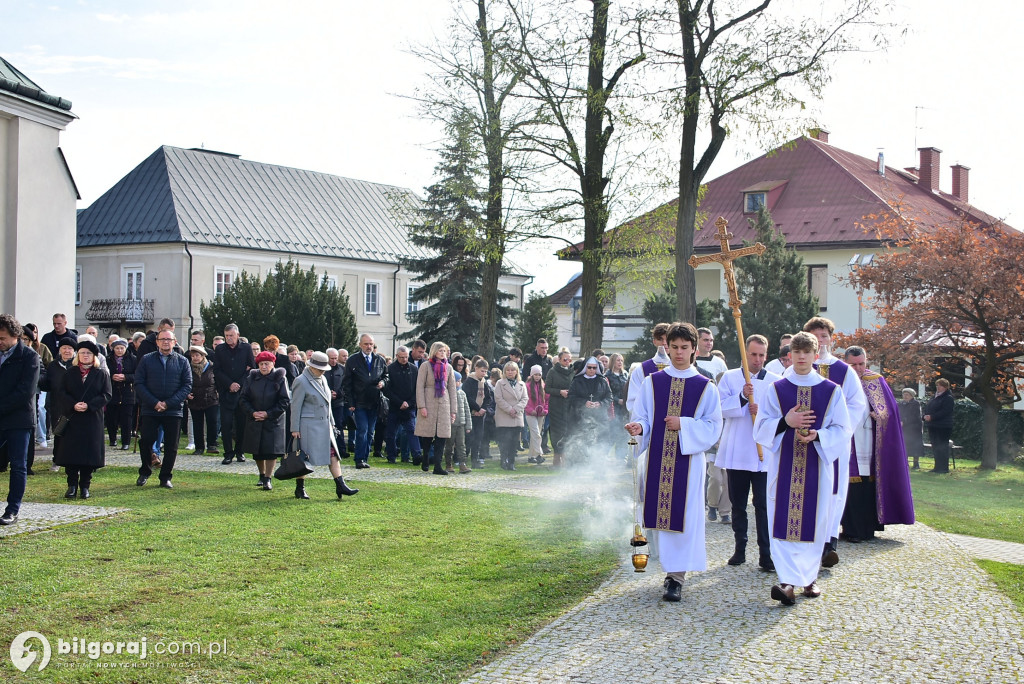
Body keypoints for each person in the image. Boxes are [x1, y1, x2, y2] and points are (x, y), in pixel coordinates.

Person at [624, 322, 724, 602]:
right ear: (665, 347)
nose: (678, 353)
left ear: (694, 350)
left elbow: (713, 426)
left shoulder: (705, 387)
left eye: (684, 348)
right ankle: (669, 570)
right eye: (674, 347)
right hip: (658, 460)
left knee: (686, 517)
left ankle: (676, 577)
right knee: (662, 518)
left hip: (688, 464)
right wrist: (639, 428)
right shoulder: (652, 382)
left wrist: (685, 425)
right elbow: (643, 416)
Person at [753, 331, 851, 605]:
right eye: (796, 352)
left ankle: (808, 578)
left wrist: (818, 435)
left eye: (807, 352)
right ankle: (786, 582)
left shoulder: (831, 391)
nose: (801, 357)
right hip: (783, 466)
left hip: (816, 467)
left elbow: (843, 429)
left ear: (816, 355)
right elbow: (760, 428)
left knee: (815, 522)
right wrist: (786, 421)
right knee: (782, 523)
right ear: (789, 356)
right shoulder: (777, 389)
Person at [796, 316, 867, 568]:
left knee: (833, 492)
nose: (821, 340)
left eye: (824, 336)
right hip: (799, 443)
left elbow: (857, 405)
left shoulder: (843, 371)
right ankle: (800, 541)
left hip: (832, 442)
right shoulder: (794, 369)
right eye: (816, 336)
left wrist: (833, 430)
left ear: (831, 339)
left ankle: (828, 543)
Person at [716, 334, 780, 570]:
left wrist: (761, 410)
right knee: (738, 504)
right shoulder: (731, 378)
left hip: (764, 452)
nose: (757, 359)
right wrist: (742, 398)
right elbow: (720, 408)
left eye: (761, 355)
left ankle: (766, 554)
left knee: (763, 505)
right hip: (738, 449)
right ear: (745, 353)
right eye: (753, 354)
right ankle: (739, 549)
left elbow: (780, 412)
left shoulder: (775, 380)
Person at [840, 347, 916, 542]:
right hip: (848, 440)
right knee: (850, 486)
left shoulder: (876, 380)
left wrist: (881, 416)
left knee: (868, 484)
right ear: (845, 361)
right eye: (853, 364)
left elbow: (890, 411)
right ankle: (851, 529)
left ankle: (868, 528)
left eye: (861, 364)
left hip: (870, 440)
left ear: (867, 362)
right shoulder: (839, 379)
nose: (857, 368)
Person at [291, 351, 358, 500]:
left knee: (333, 455)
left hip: (325, 426)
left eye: (323, 368)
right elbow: (295, 406)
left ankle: (340, 485)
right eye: (319, 368)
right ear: (311, 366)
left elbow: (328, 405)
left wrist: (332, 424)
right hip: (307, 427)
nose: (322, 371)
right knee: (303, 459)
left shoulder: (322, 379)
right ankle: (300, 488)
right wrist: (294, 428)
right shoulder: (301, 381)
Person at [134, 329, 192, 488]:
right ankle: (145, 472)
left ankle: (165, 477)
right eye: (162, 339)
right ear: (157, 342)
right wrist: (154, 402)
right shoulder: (146, 359)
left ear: (174, 342)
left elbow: (187, 386)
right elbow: (139, 383)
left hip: (173, 410)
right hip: (150, 408)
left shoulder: (182, 361)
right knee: (146, 441)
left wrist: (168, 403)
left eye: (169, 339)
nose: (166, 342)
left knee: (172, 445)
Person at [54, 340, 111, 500]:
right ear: (77, 355)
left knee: (88, 455)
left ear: (94, 356)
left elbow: (106, 395)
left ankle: (85, 486)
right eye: (82, 353)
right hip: (73, 418)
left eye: (88, 353)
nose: (85, 356)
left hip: (92, 418)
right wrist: (74, 405)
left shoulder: (101, 374)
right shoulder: (69, 373)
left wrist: (89, 405)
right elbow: (61, 393)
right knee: (72, 454)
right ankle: (71, 485)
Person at [0, 315, 41, 525]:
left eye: (2, 338)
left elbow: (25, 391)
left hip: (19, 419)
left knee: (18, 465)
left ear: (16, 336)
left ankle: (12, 509)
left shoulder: (29, 356)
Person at [239, 351, 290, 491]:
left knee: (271, 451)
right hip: (255, 418)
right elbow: (243, 398)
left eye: (266, 364)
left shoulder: (280, 378)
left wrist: (268, 414)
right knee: (258, 451)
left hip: (273, 420)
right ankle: (261, 475)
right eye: (261, 364)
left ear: (273, 364)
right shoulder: (251, 378)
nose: (264, 366)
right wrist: (253, 412)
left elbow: (284, 401)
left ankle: (268, 478)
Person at [343, 334, 389, 469]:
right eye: (366, 344)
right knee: (362, 430)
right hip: (360, 402)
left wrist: (383, 382)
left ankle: (365, 456)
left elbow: (386, 376)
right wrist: (350, 403)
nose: (369, 347)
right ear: (360, 345)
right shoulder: (353, 360)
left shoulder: (379, 360)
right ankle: (359, 458)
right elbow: (347, 383)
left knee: (370, 431)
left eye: (371, 344)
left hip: (375, 401)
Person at [213, 324, 255, 466]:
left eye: (231, 336)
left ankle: (239, 451)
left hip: (242, 392)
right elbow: (217, 370)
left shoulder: (246, 348)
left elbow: (251, 368)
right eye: (226, 336)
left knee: (241, 424)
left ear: (237, 335)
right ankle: (228, 453)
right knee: (226, 424)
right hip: (226, 392)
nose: (229, 338)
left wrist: (239, 383)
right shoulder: (220, 349)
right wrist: (229, 384)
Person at [414, 341, 457, 475]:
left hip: (443, 403)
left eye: (444, 351)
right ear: (434, 351)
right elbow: (419, 386)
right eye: (440, 351)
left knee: (442, 436)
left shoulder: (448, 368)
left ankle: (438, 465)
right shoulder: (425, 366)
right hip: (429, 401)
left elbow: (452, 389)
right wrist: (422, 406)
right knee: (427, 434)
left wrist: (453, 410)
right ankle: (425, 458)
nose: (443, 353)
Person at [567, 357, 613, 464]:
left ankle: (599, 471)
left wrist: (600, 403)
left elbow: (609, 397)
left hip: (600, 418)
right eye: (589, 367)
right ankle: (579, 471)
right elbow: (571, 396)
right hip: (581, 418)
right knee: (581, 444)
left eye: (594, 368)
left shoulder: (602, 381)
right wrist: (584, 403)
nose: (592, 370)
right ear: (585, 368)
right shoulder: (577, 381)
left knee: (600, 444)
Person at [384, 346, 421, 464]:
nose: (404, 359)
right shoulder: (389, 369)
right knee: (391, 433)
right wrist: (399, 402)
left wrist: (409, 403)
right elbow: (387, 390)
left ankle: (416, 455)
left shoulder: (414, 369)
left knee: (412, 431)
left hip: (409, 406)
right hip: (394, 406)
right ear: (396, 356)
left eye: (406, 357)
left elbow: (417, 389)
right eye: (401, 357)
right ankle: (391, 455)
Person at [626, 323, 672, 415]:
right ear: (654, 341)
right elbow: (633, 402)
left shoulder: (681, 368)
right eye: (660, 339)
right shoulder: (641, 370)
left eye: (668, 339)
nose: (664, 343)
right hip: (649, 422)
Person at [494, 361, 528, 470]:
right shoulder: (500, 383)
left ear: (516, 371)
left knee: (514, 441)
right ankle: (504, 460)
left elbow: (525, 399)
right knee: (504, 440)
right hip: (504, 415)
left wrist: (516, 409)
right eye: (508, 370)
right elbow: (498, 398)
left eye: (512, 370)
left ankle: (512, 462)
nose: (510, 372)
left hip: (517, 416)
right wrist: (510, 410)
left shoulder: (521, 384)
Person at [544, 349, 575, 468]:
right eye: (565, 359)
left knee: (568, 431)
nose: (567, 362)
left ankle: (567, 460)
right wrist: (559, 392)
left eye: (569, 359)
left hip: (569, 406)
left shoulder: (573, 372)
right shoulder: (553, 371)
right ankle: (557, 460)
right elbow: (547, 388)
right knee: (556, 433)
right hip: (556, 406)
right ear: (560, 360)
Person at [187, 346, 220, 455]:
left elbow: (217, 381)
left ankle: (211, 445)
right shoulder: (188, 368)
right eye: (193, 356)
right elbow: (185, 382)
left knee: (212, 421)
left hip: (211, 399)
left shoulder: (212, 367)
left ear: (203, 356)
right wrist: (187, 394)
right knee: (197, 424)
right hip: (195, 399)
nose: (195, 358)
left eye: (197, 355)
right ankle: (199, 447)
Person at [523, 338, 554, 453]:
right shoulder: (531, 360)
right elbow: (525, 376)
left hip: (544, 393)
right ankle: (537, 451)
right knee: (534, 429)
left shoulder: (548, 361)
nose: (544, 350)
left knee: (543, 426)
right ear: (537, 348)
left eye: (546, 348)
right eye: (542, 348)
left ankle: (542, 446)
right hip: (532, 394)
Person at [463, 359, 494, 469]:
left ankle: (475, 460)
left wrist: (483, 409)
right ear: (476, 369)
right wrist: (477, 408)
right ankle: (463, 460)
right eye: (482, 371)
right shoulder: (469, 381)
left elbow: (489, 398)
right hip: (471, 414)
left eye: (486, 371)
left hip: (480, 415)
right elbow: (467, 397)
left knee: (478, 437)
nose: (484, 374)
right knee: (469, 438)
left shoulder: (484, 382)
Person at [106, 338, 136, 450]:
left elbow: (137, 375)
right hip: (112, 391)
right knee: (111, 418)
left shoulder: (133, 359)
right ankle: (112, 439)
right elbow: (103, 373)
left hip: (128, 392)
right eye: (117, 348)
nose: (119, 350)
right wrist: (112, 376)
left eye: (121, 348)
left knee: (126, 419)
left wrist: (126, 377)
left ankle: (126, 442)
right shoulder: (108, 359)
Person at [443, 371, 473, 474]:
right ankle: (448, 464)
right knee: (449, 445)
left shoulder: (462, 393)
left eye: (460, 381)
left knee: (461, 445)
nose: (458, 383)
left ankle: (462, 464)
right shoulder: (446, 393)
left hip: (461, 424)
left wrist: (468, 425)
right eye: (457, 381)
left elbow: (467, 410)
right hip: (450, 424)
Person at [924, 378, 955, 474]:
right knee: (935, 446)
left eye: (940, 385)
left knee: (942, 446)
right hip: (933, 425)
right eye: (937, 385)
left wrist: (932, 417)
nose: (938, 387)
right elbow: (928, 408)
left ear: (945, 387)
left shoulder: (948, 398)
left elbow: (946, 412)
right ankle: (937, 467)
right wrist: (925, 416)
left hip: (943, 426)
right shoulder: (934, 397)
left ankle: (943, 468)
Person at [324, 348, 349, 457]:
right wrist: (328, 393)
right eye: (331, 358)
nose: (334, 361)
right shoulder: (323, 369)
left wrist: (338, 394)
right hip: (325, 401)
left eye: (335, 358)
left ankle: (341, 449)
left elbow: (345, 385)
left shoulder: (342, 370)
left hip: (338, 402)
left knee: (338, 425)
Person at [523, 365, 548, 465]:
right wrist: (530, 409)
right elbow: (525, 400)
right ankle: (539, 454)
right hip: (531, 413)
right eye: (535, 374)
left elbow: (546, 400)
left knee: (536, 435)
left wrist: (545, 410)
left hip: (540, 414)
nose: (537, 377)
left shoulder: (543, 385)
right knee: (536, 433)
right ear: (532, 375)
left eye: (539, 375)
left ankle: (531, 456)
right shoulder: (527, 386)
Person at [899, 388, 925, 470]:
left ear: (912, 396)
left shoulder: (916, 404)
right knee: (904, 445)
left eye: (907, 394)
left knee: (915, 446)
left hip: (914, 428)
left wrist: (904, 421)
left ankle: (916, 463)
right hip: (904, 428)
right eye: (904, 394)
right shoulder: (900, 404)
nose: (905, 396)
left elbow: (915, 416)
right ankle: (905, 462)